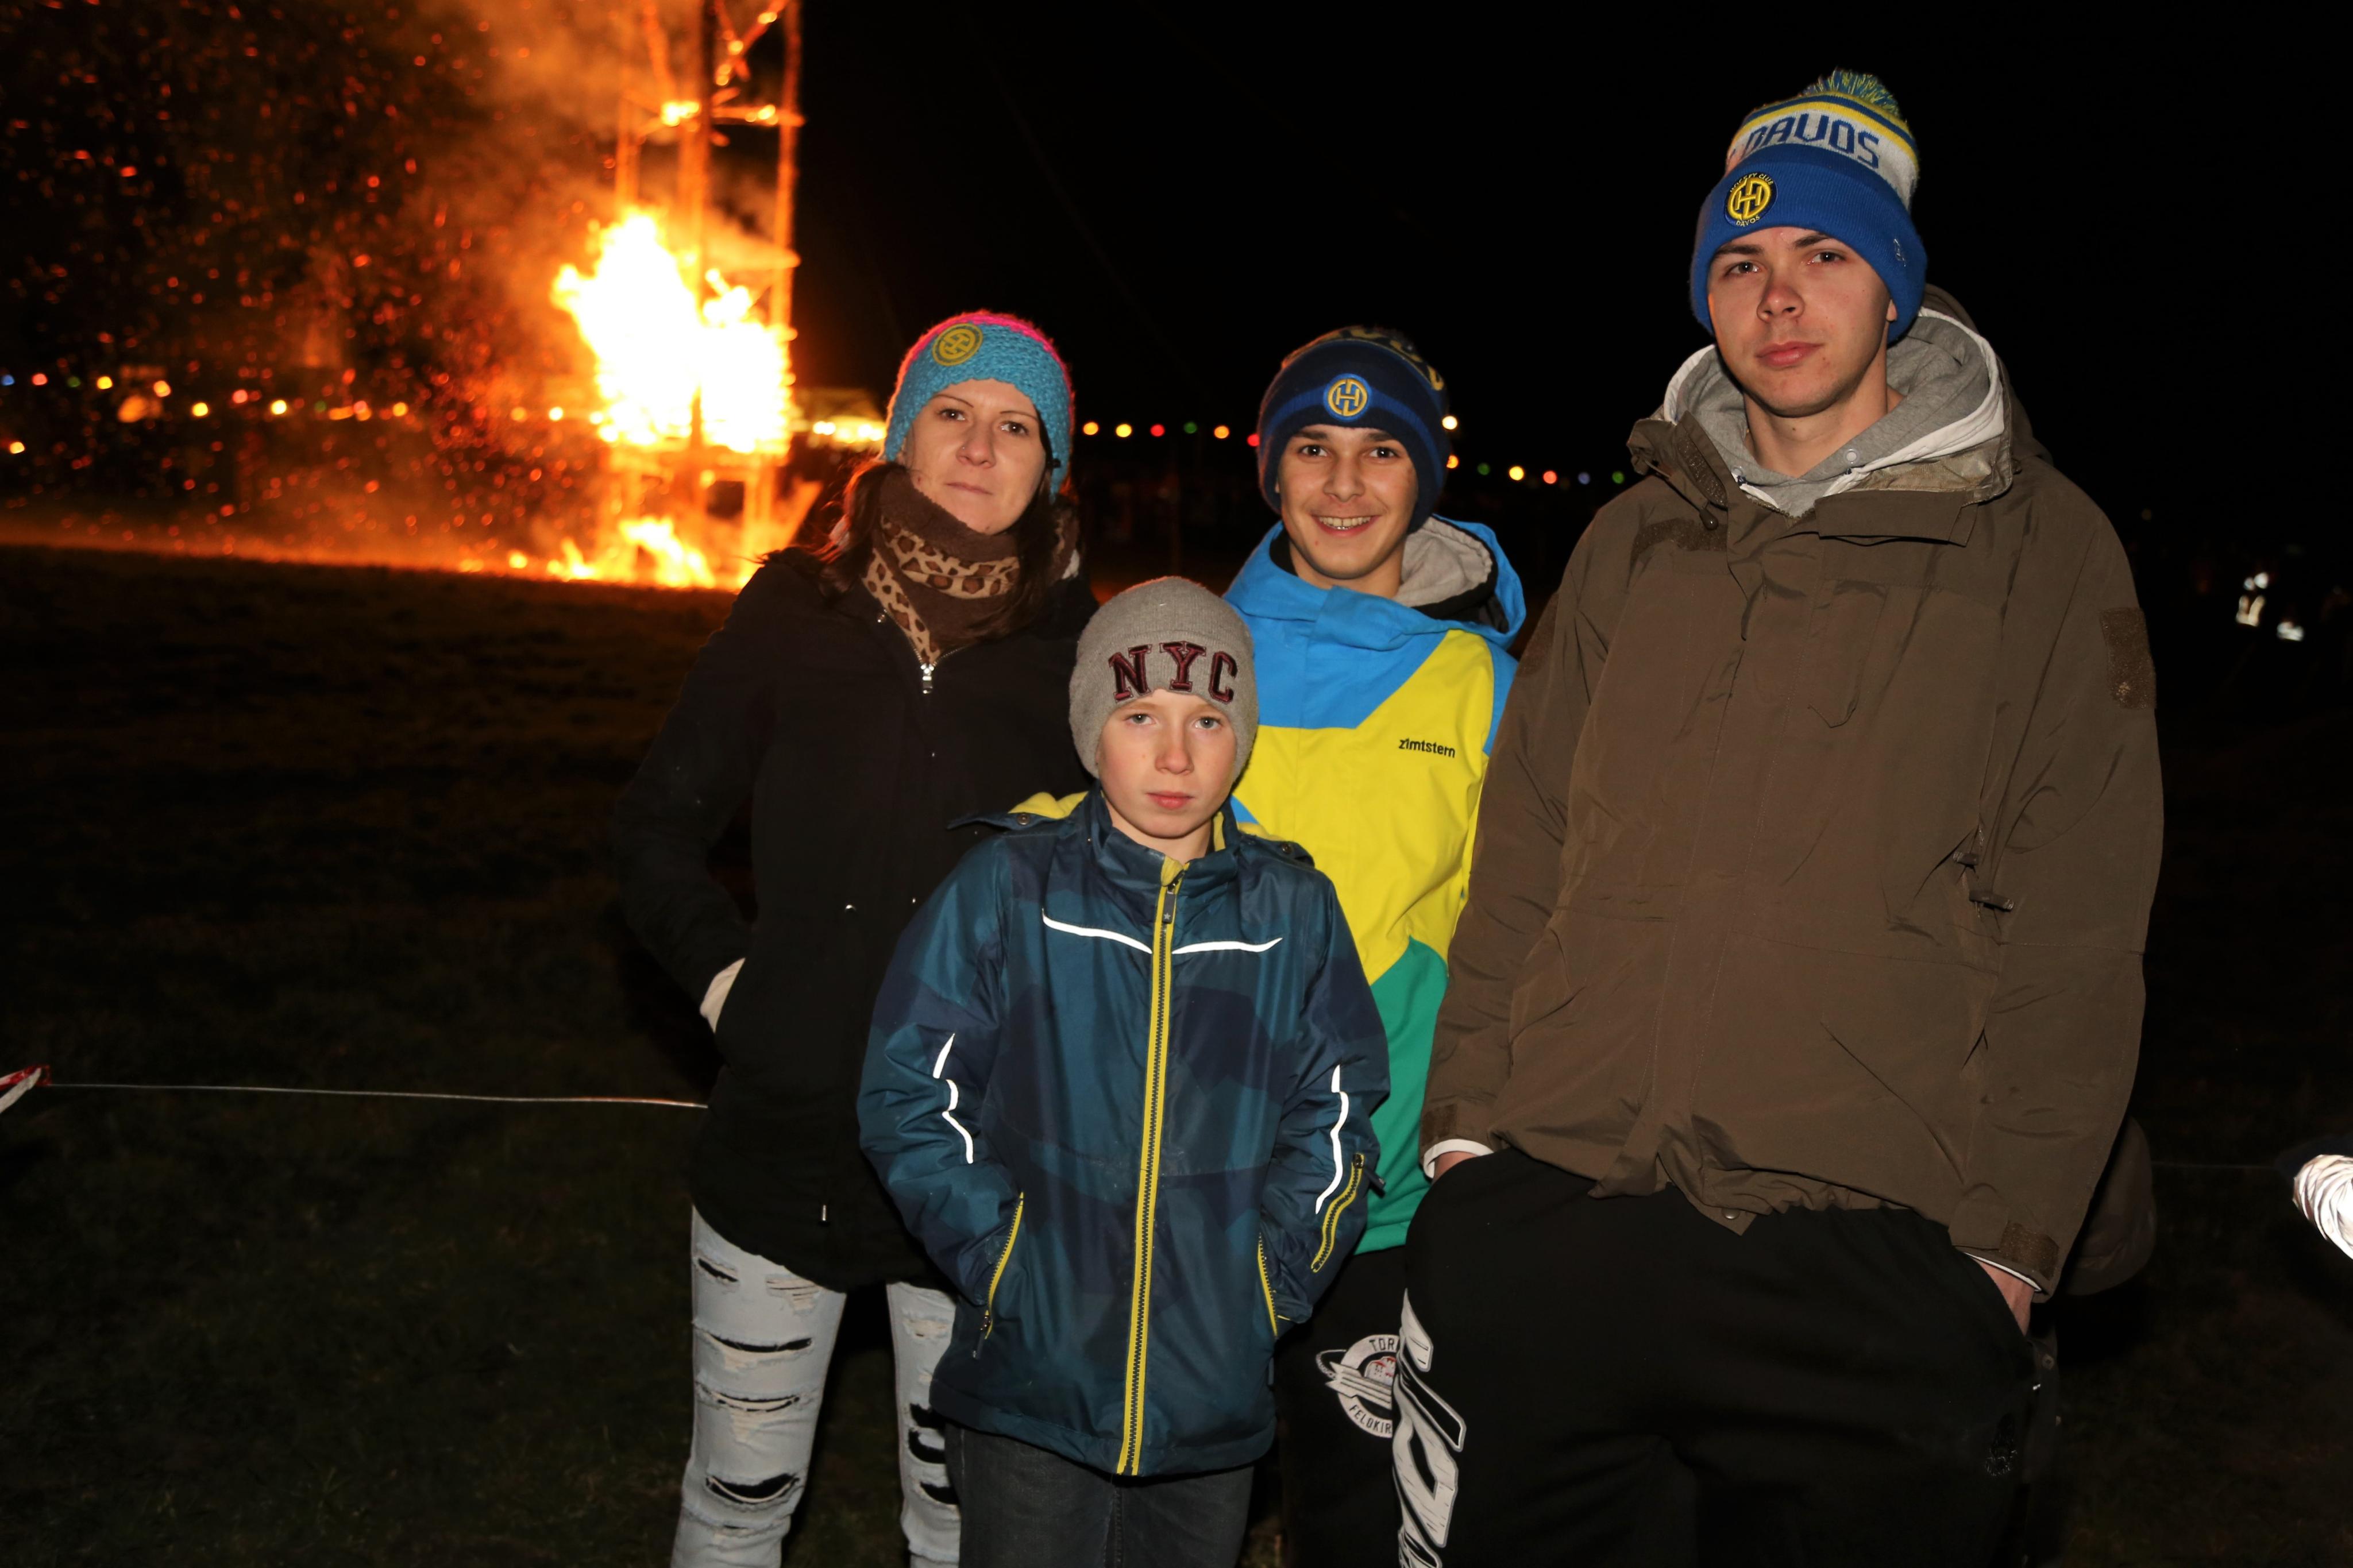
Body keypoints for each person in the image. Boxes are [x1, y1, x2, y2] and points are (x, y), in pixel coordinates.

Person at [1403, 70, 2164, 1566]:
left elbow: (2079, 929)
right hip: (1558, 1207)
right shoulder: (1632, 539)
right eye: (1740, 262)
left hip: (1874, 1254)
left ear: (1894, 284)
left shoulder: (2041, 553)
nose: (1779, 297)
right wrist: (1468, 1146)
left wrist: (2007, 1253)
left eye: (1825, 254)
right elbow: (1525, 849)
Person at [615, 311, 1093, 1566]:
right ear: (898, 443)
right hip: (784, 1151)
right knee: (739, 1501)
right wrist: (731, 988)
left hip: (982, 1173)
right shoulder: (797, 611)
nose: (979, 449)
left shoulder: (1080, 654)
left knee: (962, 1525)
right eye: (952, 415)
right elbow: (655, 829)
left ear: (1050, 469)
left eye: (1016, 427)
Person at [858, 578, 1390, 1568]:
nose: (1176, 755)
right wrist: (1003, 1261)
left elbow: (1337, 1112)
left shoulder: (1294, 910)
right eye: (1140, 715)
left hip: (1210, 1396)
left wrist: (1267, 1286)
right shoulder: (1010, 887)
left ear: (1243, 737)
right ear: (1091, 729)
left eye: (1208, 720)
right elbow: (910, 1091)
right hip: (1032, 1383)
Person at [1220, 326, 1523, 1565]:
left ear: (1424, 480)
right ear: (1271, 472)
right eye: (1313, 448)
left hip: (1386, 1195)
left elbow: (1523, 926)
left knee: (1358, 1522)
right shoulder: (1193, 653)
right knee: (1168, 1509)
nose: (1344, 483)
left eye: (1380, 452)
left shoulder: (1482, 681)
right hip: (1190, 1174)